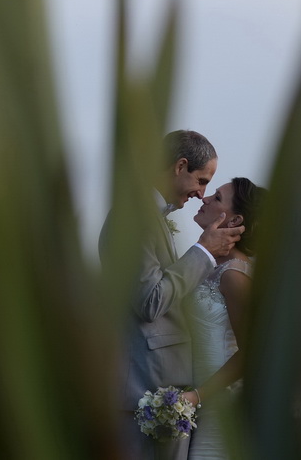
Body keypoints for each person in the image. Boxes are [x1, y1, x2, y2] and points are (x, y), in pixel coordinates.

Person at [99, 130, 245, 460]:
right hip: (146, 387)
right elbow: (151, 300)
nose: (202, 194)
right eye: (202, 180)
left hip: (169, 390)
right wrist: (204, 252)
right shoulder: (134, 216)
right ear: (180, 166)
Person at [181, 177, 265, 460]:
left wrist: (197, 396)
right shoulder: (206, 264)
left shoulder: (234, 276)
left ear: (234, 219)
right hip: (194, 402)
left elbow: (252, 353)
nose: (204, 198)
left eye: (216, 198)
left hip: (219, 407)